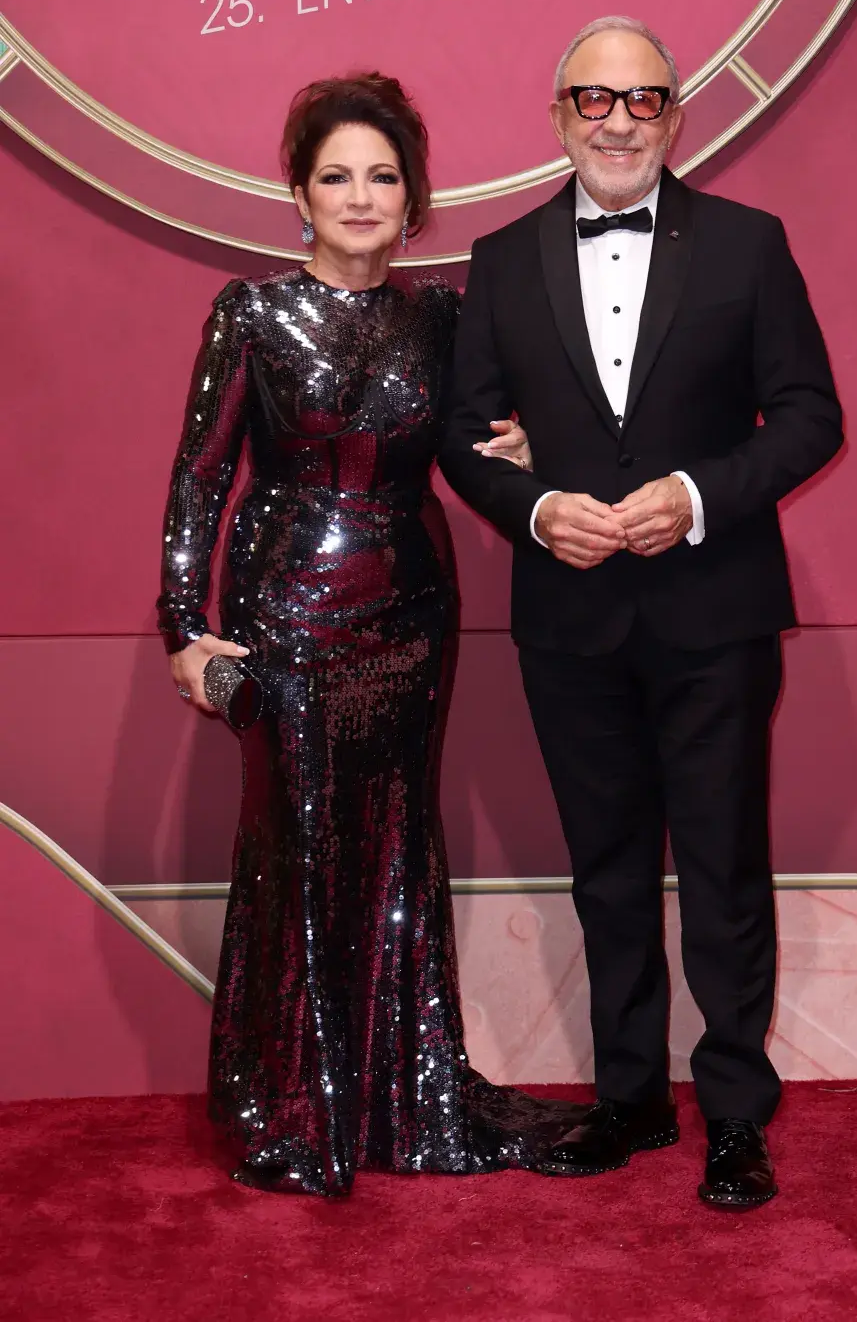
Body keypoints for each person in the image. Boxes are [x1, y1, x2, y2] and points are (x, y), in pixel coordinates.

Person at [440, 17, 844, 1208]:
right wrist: (535, 507)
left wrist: (696, 495)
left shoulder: (751, 246)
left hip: (715, 613)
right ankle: (628, 1099)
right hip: (569, 623)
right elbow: (468, 441)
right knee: (605, 871)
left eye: (645, 100)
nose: (618, 120)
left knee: (723, 868)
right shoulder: (500, 258)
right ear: (557, 112)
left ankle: (732, 1111)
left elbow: (812, 416)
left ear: (678, 115)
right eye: (594, 99)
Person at [158, 72, 578, 1197]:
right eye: (336, 176)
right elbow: (201, 480)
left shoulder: (443, 315)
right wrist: (182, 630)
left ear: (412, 199)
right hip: (283, 616)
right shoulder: (248, 313)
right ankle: (295, 1109)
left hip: (412, 616)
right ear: (299, 192)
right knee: (299, 842)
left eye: (381, 176)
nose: (359, 196)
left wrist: (525, 457)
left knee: (395, 846)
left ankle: (398, 1092)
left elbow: (471, 451)